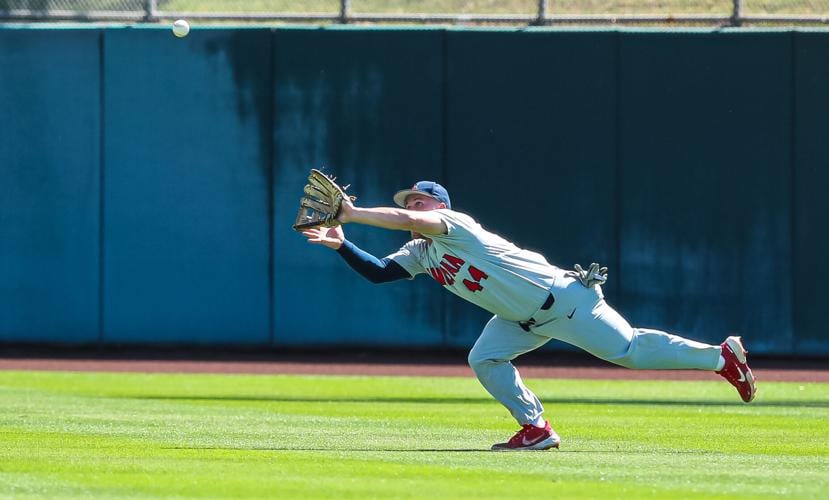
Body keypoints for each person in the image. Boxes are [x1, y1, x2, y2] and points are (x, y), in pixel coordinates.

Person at [300, 180, 757, 451]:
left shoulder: (454, 226)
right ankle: (536, 428)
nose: (412, 205)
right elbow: (381, 273)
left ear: (441, 206)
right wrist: (344, 244)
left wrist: (355, 213)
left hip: (563, 300)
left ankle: (721, 358)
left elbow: (411, 223)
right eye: (409, 199)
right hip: (517, 319)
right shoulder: (422, 253)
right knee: (484, 359)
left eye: (420, 199)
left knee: (629, 351)